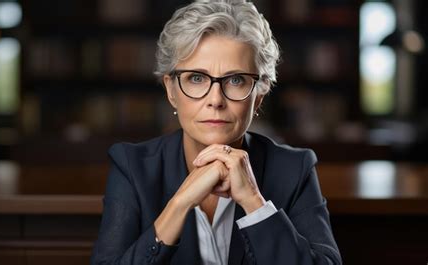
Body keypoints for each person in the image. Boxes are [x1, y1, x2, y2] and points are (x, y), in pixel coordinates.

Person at [91, 0, 341, 264]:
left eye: (235, 80)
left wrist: (254, 203)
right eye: (196, 78)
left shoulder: (294, 168)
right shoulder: (132, 167)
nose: (216, 100)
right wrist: (179, 205)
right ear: (171, 91)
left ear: (258, 96)